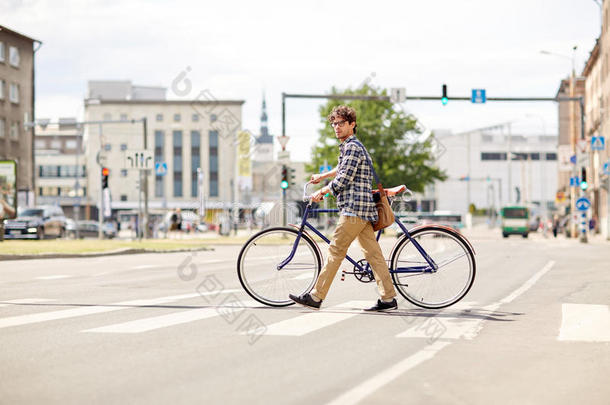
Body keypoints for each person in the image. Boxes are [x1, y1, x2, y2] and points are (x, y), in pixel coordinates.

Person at [289, 105, 398, 312]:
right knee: (373, 255)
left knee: (335, 250)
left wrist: (322, 191)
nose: (336, 127)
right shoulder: (352, 146)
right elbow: (342, 168)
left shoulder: (353, 147)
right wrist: (323, 176)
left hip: (354, 209)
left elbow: (344, 178)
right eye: (334, 124)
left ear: (352, 124)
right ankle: (388, 298)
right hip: (363, 210)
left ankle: (316, 296)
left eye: (341, 123)